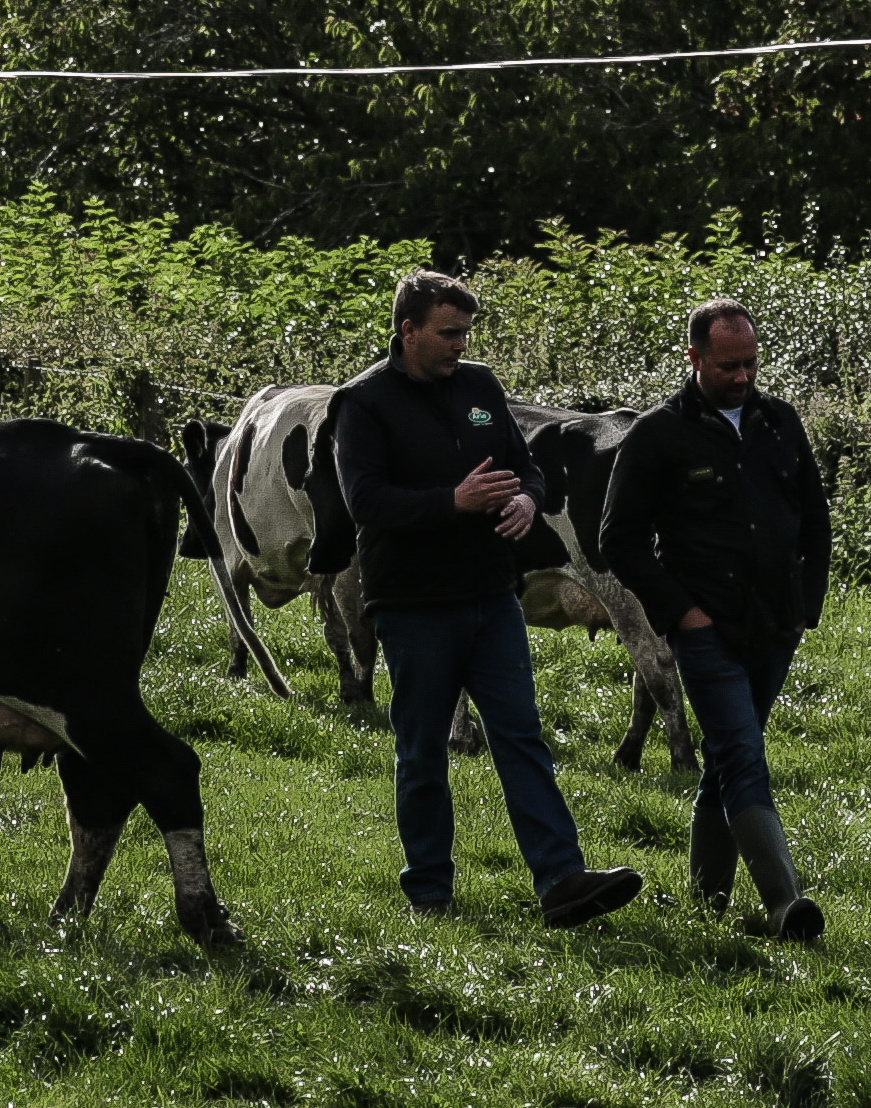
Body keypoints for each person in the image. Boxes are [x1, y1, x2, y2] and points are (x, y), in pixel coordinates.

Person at [327, 272, 644, 928]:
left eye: (465, 333)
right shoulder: (363, 403)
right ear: (407, 330)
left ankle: (561, 880)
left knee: (520, 736)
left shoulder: (479, 385)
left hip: (492, 595)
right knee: (421, 750)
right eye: (447, 333)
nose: (458, 345)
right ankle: (429, 894)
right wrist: (454, 502)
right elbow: (365, 501)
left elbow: (523, 464)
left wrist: (528, 496)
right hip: (413, 604)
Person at [602, 295, 829, 937]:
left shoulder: (781, 423)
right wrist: (681, 613)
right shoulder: (657, 435)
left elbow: (814, 518)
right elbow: (617, 538)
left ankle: (709, 904)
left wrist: (804, 608)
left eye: (752, 363)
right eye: (729, 365)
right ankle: (786, 903)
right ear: (694, 357)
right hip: (706, 628)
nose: (744, 377)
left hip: (776, 623)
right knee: (741, 753)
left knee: (729, 760)